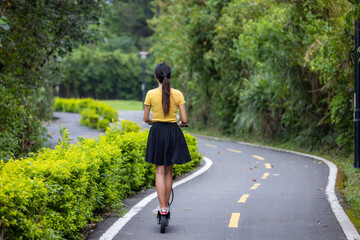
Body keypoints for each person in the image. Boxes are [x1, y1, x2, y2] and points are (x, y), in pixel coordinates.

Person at [143, 62, 191, 215]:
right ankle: (166, 208)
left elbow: (145, 119)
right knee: (169, 171)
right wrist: (180, 123)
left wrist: (154, 122)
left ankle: (162, 206)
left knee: (159, 172)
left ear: (155, 77)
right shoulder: (178, 94)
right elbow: (184, 119)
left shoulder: (150, 94)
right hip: (172, 132)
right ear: (170, 76)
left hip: (157, 132)